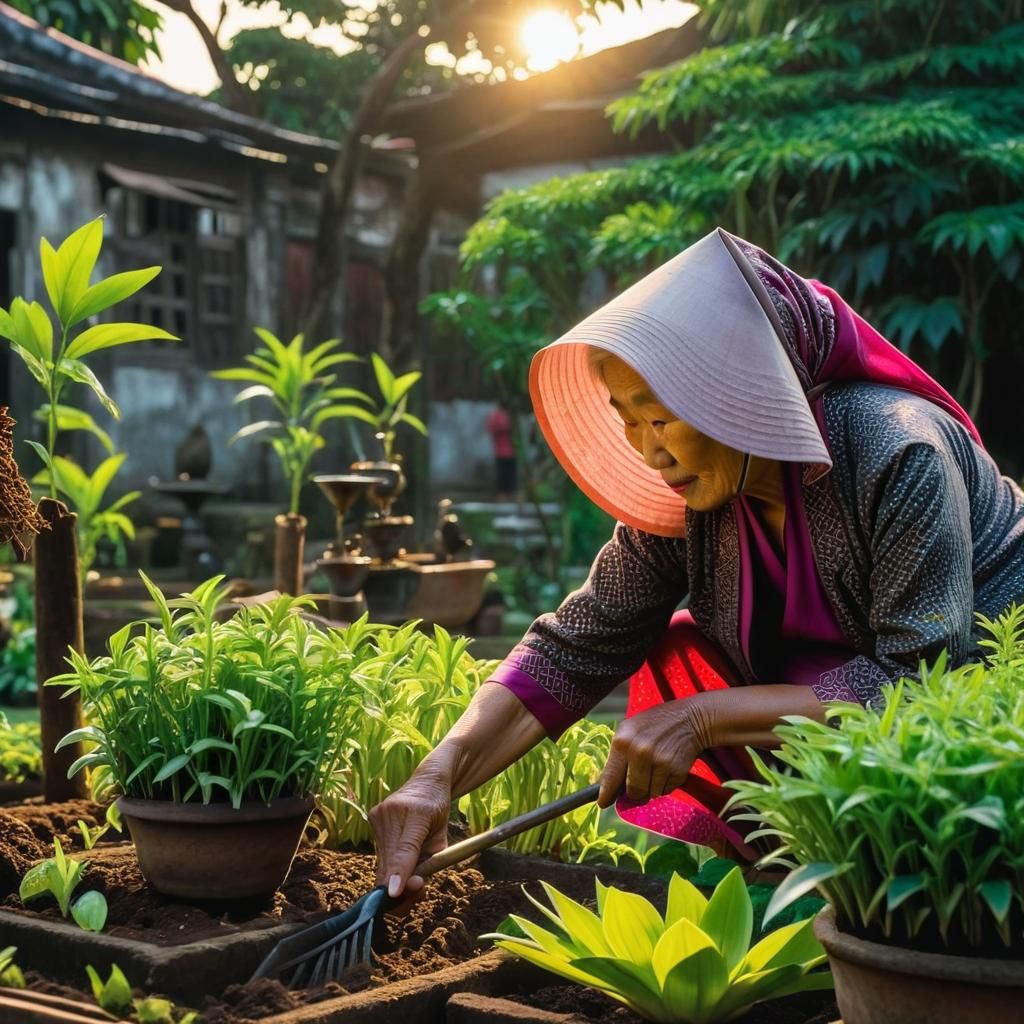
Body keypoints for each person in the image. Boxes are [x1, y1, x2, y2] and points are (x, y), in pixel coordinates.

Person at [370, 227, 1024, 899]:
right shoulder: (691, 498)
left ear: (743, 394)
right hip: (853, 729)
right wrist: (436, 775)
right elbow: (576, 646)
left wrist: (701, 718)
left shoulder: (896, 451)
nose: (648, 451)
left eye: (660, 418)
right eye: (627, 418)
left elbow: (924, 685)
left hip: (987, 735)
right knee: (678, 649)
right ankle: (792, 878)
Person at [485, 401, 518, 501]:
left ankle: (508, 493)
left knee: (508, 473)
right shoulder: (499, 416)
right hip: (503, 451)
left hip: (507, 451)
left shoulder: (499, 416)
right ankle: (504, 494)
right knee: (504, 474)